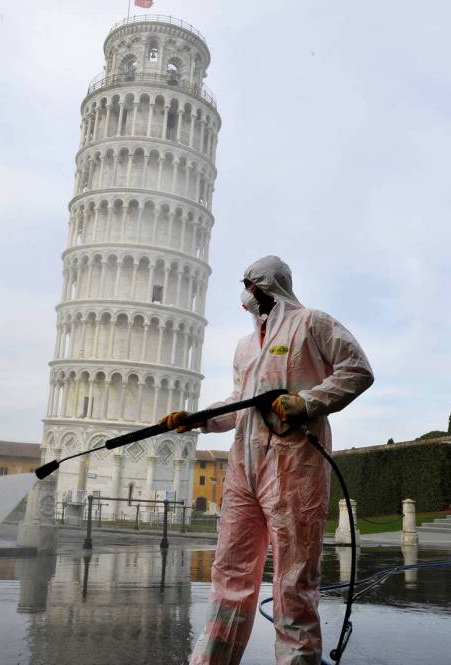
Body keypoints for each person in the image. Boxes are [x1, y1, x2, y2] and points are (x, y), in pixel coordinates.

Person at [160, 256, 373, 665]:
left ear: (264, 286)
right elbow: (239, 407)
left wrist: (308, 402)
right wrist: (197, 418)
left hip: (295, 466)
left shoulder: (312, 324)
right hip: (244, 468)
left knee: (293, 581)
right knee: (230, 574)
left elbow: (358, 370)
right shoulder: (245, 348)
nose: (245, 296)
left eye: (248, 285)